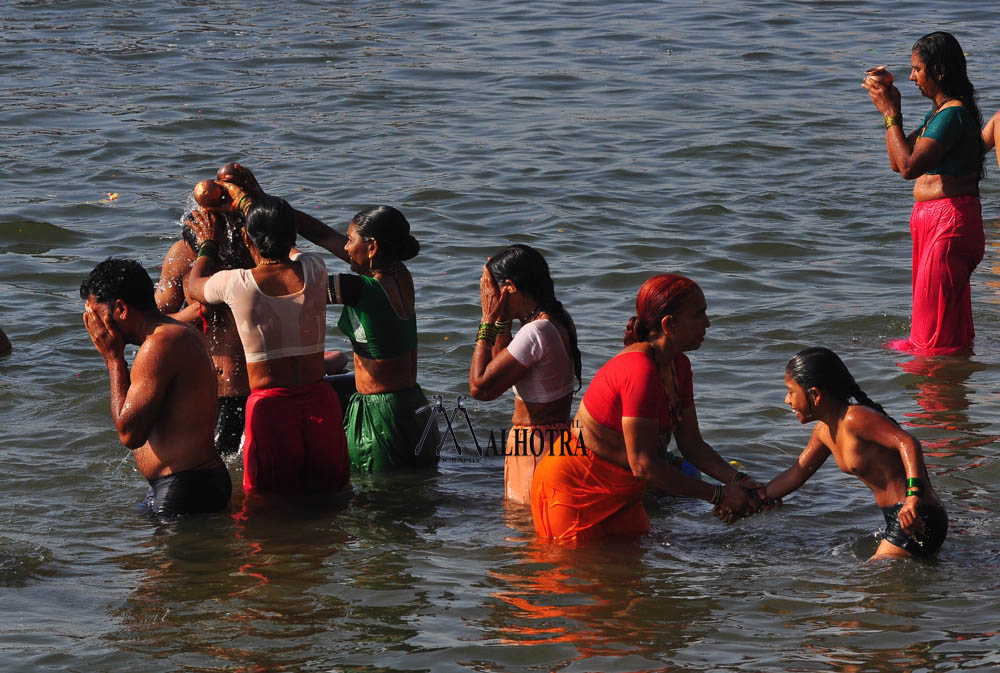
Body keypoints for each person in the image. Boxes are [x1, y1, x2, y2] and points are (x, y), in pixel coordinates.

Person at [530, 274, 762, 543]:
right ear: (669, 324)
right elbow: (644, 465)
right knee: (575, 580)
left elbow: (692, 444)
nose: (708, 323)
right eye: (699, 315)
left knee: (631, 578)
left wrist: (737, 481)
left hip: (623, 491)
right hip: (574, 488)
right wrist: (719, 495)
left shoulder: (680, 366)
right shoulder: (638, 370)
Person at [184, 195, 350, 495]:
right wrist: (253, 199)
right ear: (293, 236)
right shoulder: (315, 268)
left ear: (248, 238)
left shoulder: (236, 283)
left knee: (268, 504)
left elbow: (192, 287)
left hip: (271, 409)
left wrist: (208, 242)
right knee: (331, 495)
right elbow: (311, 241)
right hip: (321, 400)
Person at [757, 347, 947, 560]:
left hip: (917, 514)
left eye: (791, 391)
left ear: (815, 395)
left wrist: (913, 497)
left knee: (870, 582)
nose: (786, 400)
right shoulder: (824, 431)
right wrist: (756, 497)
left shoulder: (855, 418)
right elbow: (796, 473)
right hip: (897, 516)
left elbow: (909, 443)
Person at [863, 31, 985, 355]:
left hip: (950, 226)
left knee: (932, 338)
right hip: (938, 226)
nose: (912, 76)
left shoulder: (953, 114)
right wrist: (892, 114)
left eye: (917, 68)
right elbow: (896, 161)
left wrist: (890, 113)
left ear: (939, 71)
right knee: (945, 331)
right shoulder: (939, 114)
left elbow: (908, 168)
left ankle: (933, 400)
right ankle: (953, 392)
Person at [80, 258, 231, 517]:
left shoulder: (159, 345)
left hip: (186, 487)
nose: (95, 327)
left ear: (121, 309)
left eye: (97, 315)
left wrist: (113, 359)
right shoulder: (176, 332)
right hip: (190, 482)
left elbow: (130, 435)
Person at [302, 205, 440, 472]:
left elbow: (293, 288)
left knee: (372, 504)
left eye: (351, 239)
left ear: (372, 247)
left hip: (381, 418)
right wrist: (260, 201)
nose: (345, 247)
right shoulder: (400, 274)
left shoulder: (359, 289)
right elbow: (322, 235)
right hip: (414, 408)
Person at [468, 244, 581, 504]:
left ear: (510, 287)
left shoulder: (535, 332)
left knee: (525, 532)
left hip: (534, 446)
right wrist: (503, 318)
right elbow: (502, 367)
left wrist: (487, 320)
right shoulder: (560, 319)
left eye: (495, 291)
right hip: (557, 440)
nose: (489, 297)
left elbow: (481, 388)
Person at [156, 186, 253, 456]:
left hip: (244, 388)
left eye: (219, 248)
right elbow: (150, 324)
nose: (214, 259)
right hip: (195, 388)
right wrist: (194, 314)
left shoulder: (249, 255)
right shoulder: (181, 254)